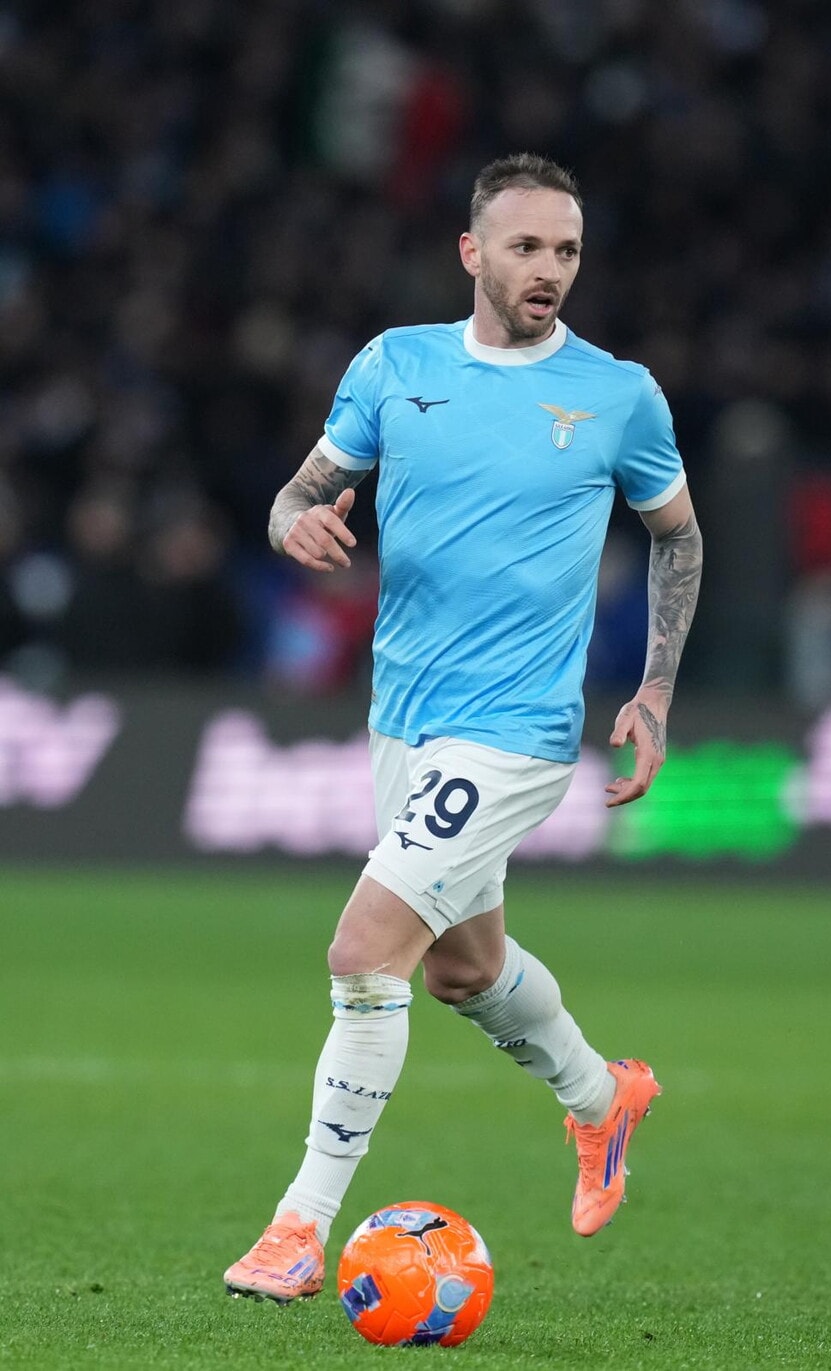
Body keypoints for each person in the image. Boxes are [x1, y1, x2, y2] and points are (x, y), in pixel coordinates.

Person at [224, 153, 702, 1303]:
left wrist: (654, 690)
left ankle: (298, 1229)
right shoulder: (397, 365)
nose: (550, 270)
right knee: (463, 970)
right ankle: (604, 1098)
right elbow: (299, 492)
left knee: (363, 952)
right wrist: (293, 526)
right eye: (528, 247)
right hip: (404, 717)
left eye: (567, 251)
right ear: (473, 252)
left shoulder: (618, 395)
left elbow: (677, 536)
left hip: (517, 731)